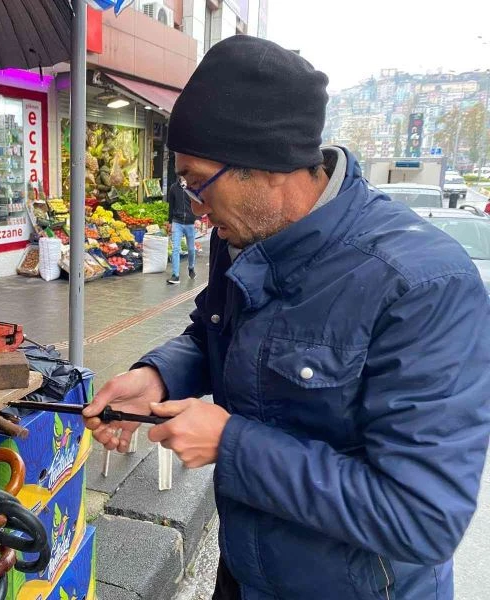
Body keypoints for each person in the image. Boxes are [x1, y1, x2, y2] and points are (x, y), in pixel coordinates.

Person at [83, 35, 490, 600]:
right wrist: (158, 376)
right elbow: (212, 330)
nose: (196, 210)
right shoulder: (243, 236)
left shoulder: (421, 284)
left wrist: (231, 446)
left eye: (197, 181)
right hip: (245, 574)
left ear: (268, 166)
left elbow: (423, 517)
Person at [166, 179, 197, 284]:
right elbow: (171, 206)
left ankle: (191, 267)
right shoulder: (174, 188)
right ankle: (175, 275)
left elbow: (198, 203)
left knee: (191, 249)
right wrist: (170, 222)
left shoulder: (192, 187)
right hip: (177, 222)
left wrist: (197, 218)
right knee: (175, 248)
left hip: (190, 222)